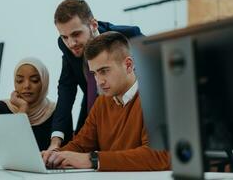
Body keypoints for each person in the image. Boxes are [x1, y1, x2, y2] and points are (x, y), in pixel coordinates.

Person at [42, 31, 171, 171]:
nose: (99, 82)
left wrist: (93, 159)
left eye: (104, 71)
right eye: (94, 73)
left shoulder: (156, 99)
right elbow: (80, 145)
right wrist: (52, 156)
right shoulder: (101, 103)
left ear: (128, 65)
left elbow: (158, 156)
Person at [49, 0, 142, 150]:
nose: (71, 43)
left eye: (76, 34)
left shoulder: (129, 36)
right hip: (92, 105)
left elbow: (156, 71)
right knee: (78, 147)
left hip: (129, 113)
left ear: (93, 25)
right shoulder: (66, 45)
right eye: (64, 37)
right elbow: (66, 89)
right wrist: (56, 141)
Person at [0, 57, 56, 151]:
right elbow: (6, 149)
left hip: (44, 166)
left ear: (44, 82)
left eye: (34, 80)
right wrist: (23, 108)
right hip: (0, 165)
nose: (26, 86)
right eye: (19, 81)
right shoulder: (2, 108)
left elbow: (64, 152)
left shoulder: (57, 111)